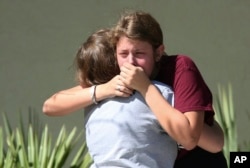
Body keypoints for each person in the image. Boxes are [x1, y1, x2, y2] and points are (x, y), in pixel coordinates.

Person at [43, 11, 227, 168]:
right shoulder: (117, 73)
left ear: (158, 52)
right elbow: (51, 106)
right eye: (123, 53)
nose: (130, 62)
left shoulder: (180, 68)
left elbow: (199, 140)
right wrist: (103, 90)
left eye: (139, 54)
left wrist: (145, 87)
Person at [72, 28, 178, 167]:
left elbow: (50, 105)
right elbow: (194, 134)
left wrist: (100, 90)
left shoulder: (90, 99)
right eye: (123, 53)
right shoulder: (160, 93)